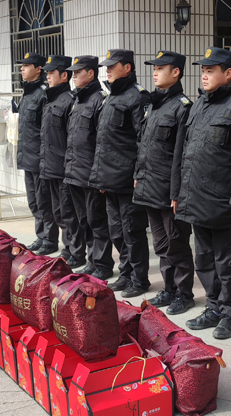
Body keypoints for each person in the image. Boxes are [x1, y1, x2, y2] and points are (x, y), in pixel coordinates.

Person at [174, 47, 231, 340]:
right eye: (203, 71)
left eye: (210, 71)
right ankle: (213, 307)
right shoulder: (199, 104)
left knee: (230, 264)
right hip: (198, 200)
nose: (204, 76)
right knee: (205, 261)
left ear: (228, 73)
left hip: (225, 203)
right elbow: (187, 153)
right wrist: (181, 193)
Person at [134, 50, 196, 314]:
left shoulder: (183, 107)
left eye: (161, 68)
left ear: (176, 72)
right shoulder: (153, 105)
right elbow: (143, 146)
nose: (155, 72)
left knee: (176, 242)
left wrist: (177, 192)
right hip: (149, 186)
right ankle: (168, 288)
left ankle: (184, 293)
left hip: (169, 190)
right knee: (160, 244)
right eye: (154, 68)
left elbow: (182, 155)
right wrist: (138, 176)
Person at [90, 49, 152, 297]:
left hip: (127, 179)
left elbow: (143, 141)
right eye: (106, 66)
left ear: (127, 68)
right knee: (116, 231)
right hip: (109, 179)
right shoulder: (110, 97)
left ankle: (139, 279)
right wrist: (100, 176)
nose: (107, 70)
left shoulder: (137, 97)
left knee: (132, 231)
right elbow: (103, 141)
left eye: (112, 66)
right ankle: (126, 274)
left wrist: (138, 174)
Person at [64, 56, 115, 278]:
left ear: (91, 73)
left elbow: (101, 142)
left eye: (78, 72)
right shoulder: (78, 99)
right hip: (74, 172)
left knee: (97, 221)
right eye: (73, 73)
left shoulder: (99, 100)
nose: (73, 76)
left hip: (90, 175)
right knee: (83, 220)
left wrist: (98, 174)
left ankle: (102, 264)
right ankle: (93, 261)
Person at [38, 55, 86, 269]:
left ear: (64, 75)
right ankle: (68, 249)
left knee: (70, 213)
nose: (47, 76)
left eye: (51, 73)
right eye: (47, 73)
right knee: (58, 212)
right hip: (50, 167)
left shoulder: (69, 100)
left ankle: (76, 252)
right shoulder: (50, 99)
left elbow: (71, 137)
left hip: (64, 168)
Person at [16, 52, 60, 255]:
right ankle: (41, 236)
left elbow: (46, 130)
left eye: (26, 65)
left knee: (44, 202)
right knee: (34, 202)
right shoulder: (27, 93)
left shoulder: (43, 93)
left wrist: (44, 158)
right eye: (22, 66)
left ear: (38, 69)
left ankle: (49, 240)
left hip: (40, 158)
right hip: (27, 156)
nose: (22, 69)